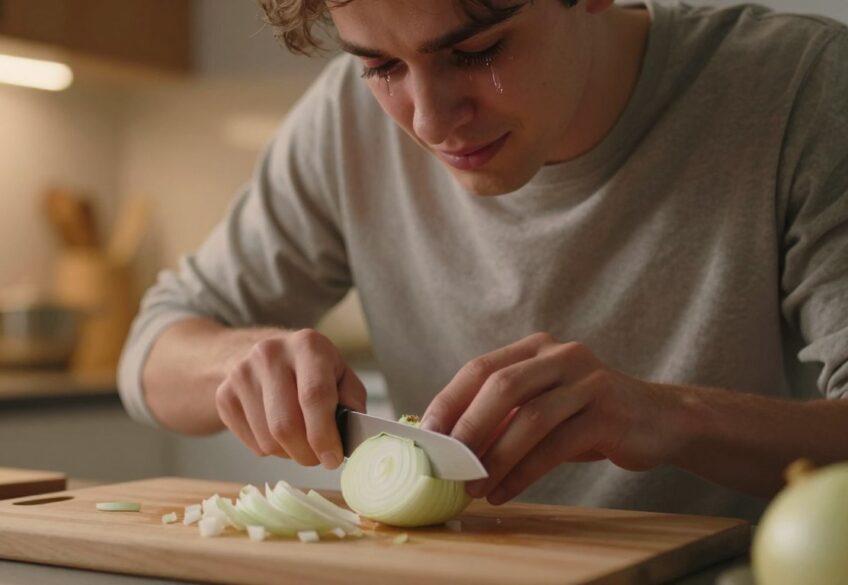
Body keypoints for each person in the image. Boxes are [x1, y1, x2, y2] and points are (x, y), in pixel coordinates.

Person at [118, 0, 848, 522]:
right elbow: (152, 352)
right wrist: (243, 361)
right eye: (380, 65)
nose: (430, 122)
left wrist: (673, 415)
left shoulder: (801, 88)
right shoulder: (343, 120)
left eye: (478, 51)